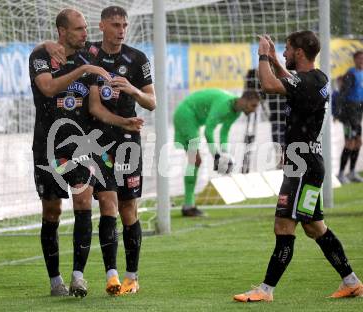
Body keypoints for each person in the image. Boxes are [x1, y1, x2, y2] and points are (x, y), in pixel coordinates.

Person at [233, 31, 363, 303]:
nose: (284, 54)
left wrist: (262, 55)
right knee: (315, 227)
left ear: (300, 53)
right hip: (308, 163)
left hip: (302, 167)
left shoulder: (304, 83)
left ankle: (266, 290)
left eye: (288, 50)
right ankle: (351, 281)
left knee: (283, 225)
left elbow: (268, 84)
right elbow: (289, 78)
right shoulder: (319, 78)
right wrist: (274, 59)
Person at [41, 5, 155, 295]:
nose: (121, 31)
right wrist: (47, 44)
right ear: (102, 26)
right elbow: (92, 104)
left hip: (128, 141)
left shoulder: (137, 59)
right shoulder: (87, 54)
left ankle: (132, 276)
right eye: (115, 25)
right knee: (106, 205)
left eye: (124, 25)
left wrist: (133, 90)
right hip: (97, 142)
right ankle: (112, 276)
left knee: (128, 208)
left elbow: (151, 102)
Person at [173, 89, 260, 217]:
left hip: (194, 119)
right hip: (186, 114)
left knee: (195, 161)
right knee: (195, 160)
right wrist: (217, 156)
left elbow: (224, 132)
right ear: (244, 100)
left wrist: (225, 154)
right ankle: (188, 206)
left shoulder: (236, 112)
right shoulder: (223, 105)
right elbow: (208, 131)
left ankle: (188, 205)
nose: (254, 110)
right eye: (253, 105)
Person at [337, 51, 363, 184]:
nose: (361, 61)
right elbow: (343, 94)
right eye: (359, 59)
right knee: (349, 142)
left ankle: (352, 172)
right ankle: (341, 173)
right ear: (354, 60)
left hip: (357, 114)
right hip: (348, 114)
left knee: (358, 141)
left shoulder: (362, 74)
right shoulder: (351, 74)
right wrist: (340, 113)